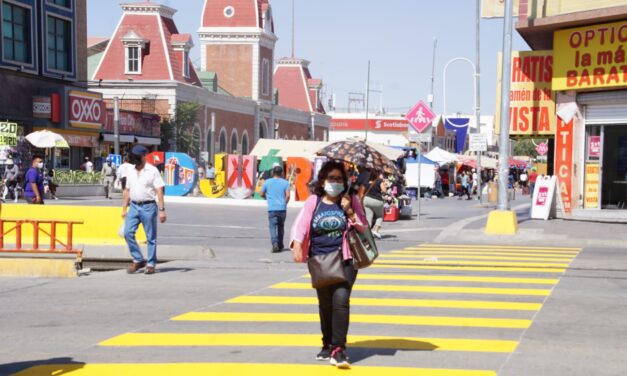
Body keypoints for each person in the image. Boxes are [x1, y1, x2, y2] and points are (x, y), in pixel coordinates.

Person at [290, 161, 367, 369]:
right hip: (319, 259)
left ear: (345, 181)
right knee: (325, 303)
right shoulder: (314, 201)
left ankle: (338, 349)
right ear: (323, 181)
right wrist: (297, 244)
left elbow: (363, 227)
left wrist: (349, 210)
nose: (335, 182)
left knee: (341, 299)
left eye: (339, 179)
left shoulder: (350, 199)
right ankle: (327, 343)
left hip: (345, 259)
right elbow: (301, 225)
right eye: (331, 178)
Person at [122, 145, 166, 275]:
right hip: (134, 206)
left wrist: (162, 210)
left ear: (143, 157)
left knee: (150, 237)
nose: (133, 160)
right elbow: (126, 190)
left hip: (149, 206)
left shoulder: (152, 171)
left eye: (136, 158)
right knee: (127, 232)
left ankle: (151, 263)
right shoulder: (130, 171)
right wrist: (124, 208)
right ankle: (138, 259)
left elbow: (159, 190)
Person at [260, 165, 290, 253]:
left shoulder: (267, 182)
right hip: (282, 209)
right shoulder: (285, 183)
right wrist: (284, 203)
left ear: (273, 173)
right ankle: (280, 245)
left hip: (272, 208)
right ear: (281, 173)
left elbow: (261, 193)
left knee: (272, 227)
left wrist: (267, 198)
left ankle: (275, 244)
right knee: (281, 227)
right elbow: (288, 196)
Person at [357, 169, 387, 239]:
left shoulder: (366, 181)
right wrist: (385, 185)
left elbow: (362, 190)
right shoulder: (379, 181)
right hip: (377, 200)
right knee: (380, 216)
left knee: (368, 217)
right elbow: (384, 190)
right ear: (377, 174)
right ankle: (375, 230)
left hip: (366, 200)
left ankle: (367, 234)